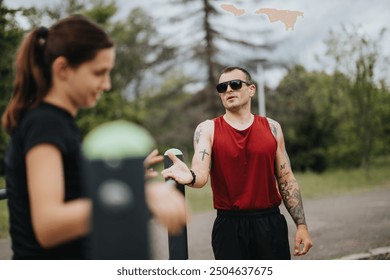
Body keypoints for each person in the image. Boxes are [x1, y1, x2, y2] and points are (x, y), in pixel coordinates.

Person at [1, 15, 187, 260]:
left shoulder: (55, 121)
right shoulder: (46, 123)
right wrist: (135, 194)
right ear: (63, 69)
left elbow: (67, 190)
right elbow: (48, 224)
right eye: (99, 72)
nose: (106, 84)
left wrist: (116, 178)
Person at [162, 66, 313, 260]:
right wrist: (189, 175)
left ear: (251, 89)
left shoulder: (272, 127)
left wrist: (301, 225)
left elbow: (286, 180)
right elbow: (200, 175)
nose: (228, 90)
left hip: (269, 223)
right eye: (222, 87)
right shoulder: (208, 129)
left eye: (234, 84)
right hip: (229, 227)